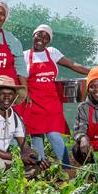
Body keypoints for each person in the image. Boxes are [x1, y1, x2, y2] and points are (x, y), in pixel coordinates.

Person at [16, 23, 90, 168]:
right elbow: (21, 76)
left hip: (51, 103)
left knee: (54, 135)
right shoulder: (24, 55)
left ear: (49, 41)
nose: (41, 38)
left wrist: (92, 72)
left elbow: (72, 64)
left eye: (46, 36)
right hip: (33, 102)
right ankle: (39, 169)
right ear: (33, 35)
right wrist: (24, 94)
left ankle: (67, 167)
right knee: (36, 137)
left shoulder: (52, 52)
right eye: (39, 34)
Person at [0, 75, 47, 173]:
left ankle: (12, 176)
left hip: (4, 159)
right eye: (2, 93)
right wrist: (17, 157)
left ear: (15, 96)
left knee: (34, 168)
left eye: (10, 94)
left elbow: (25, 148)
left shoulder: (16, 118)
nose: (7, 97)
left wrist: (37, 158)